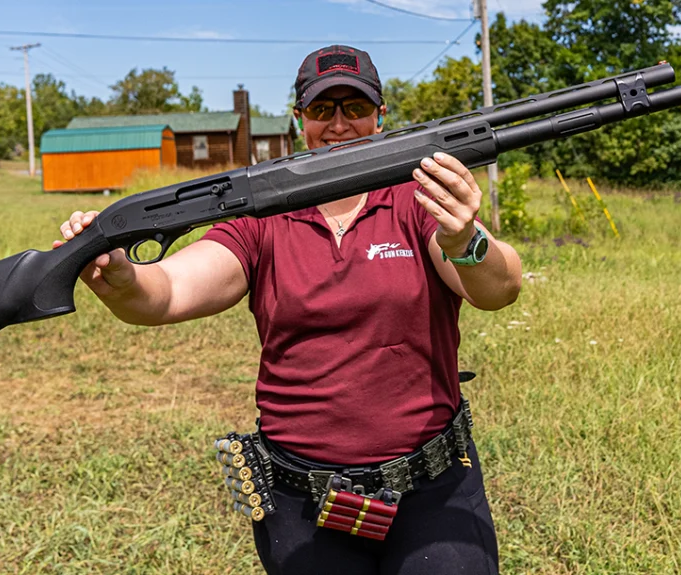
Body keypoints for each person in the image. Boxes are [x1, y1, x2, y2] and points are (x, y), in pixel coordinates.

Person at [55, 45, 522, 575]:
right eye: (322, 109)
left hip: (434, 488)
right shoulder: (262, 213)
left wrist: (464, 239)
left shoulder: (416, 198)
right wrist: (123, 277)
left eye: (355, 107)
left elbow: (499, 288)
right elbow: (166, 291)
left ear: (381, 115)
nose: (339, 124)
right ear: (300, 119)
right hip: (302, 500)